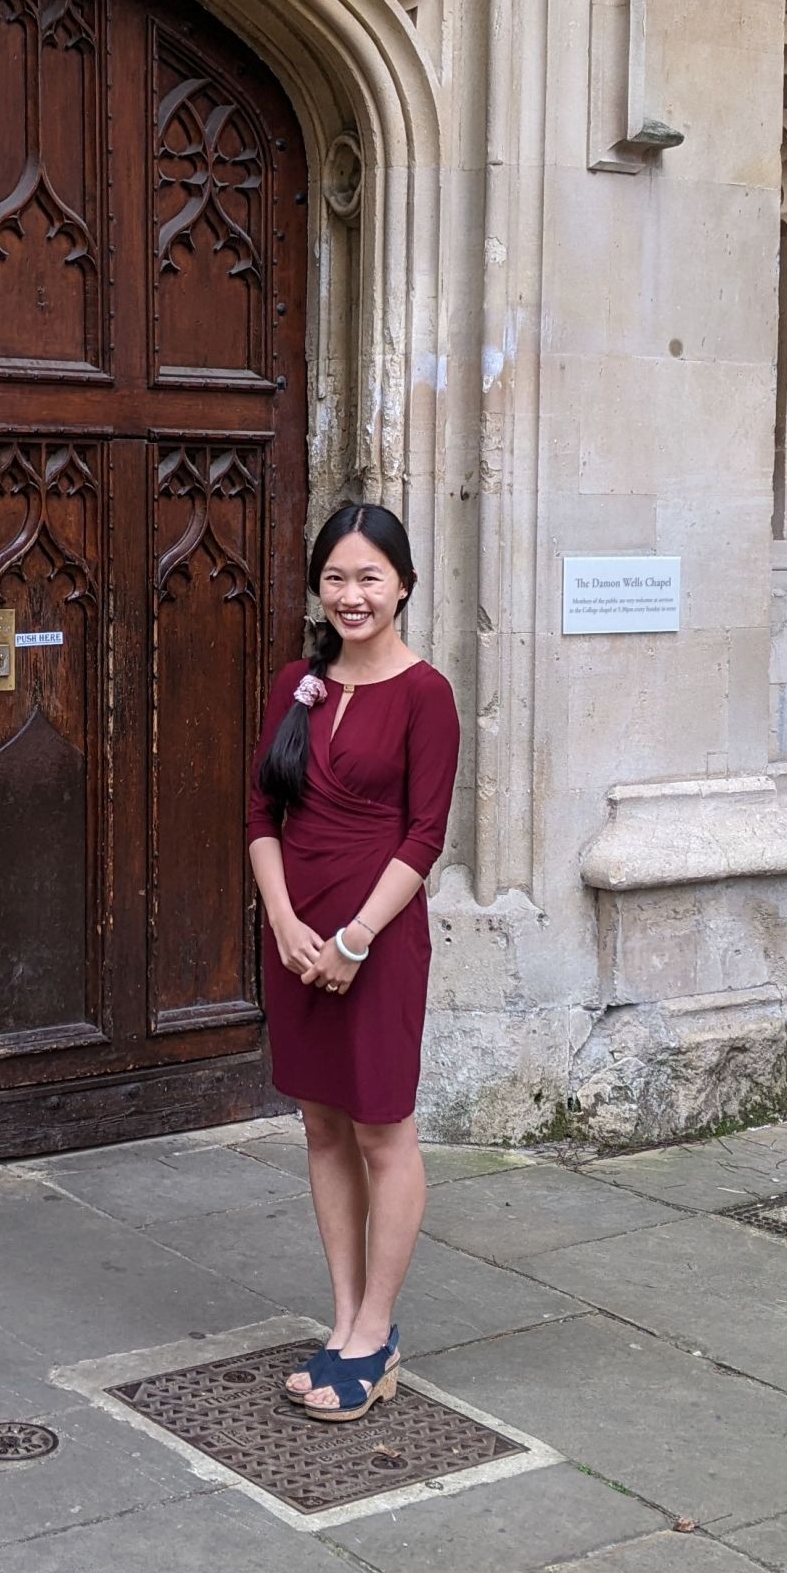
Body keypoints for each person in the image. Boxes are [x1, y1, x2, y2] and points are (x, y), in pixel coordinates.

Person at [245, 504, 459, 1423]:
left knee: (382, 1131)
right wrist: (284, 922)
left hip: (378, 941)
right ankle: (342, 1323)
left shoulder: (426, 694)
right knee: (322, 1128)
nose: (352, 594)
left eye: (370, 576)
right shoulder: (296, 683)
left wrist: (354, 940)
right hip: (297, 939)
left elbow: (425, 836)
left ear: (403, 584)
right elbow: (261, 815)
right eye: (336, 577)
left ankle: (377, 1333)